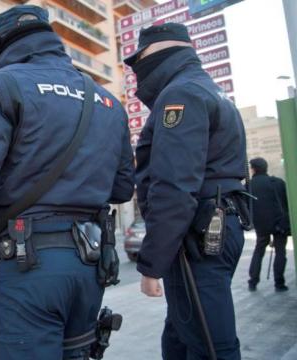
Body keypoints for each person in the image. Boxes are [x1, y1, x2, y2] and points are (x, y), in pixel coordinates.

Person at [0, 5, 134, 359]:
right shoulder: (108, 100)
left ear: (3, 46)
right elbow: (123, 188)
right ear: (51, 38)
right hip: (90, 264)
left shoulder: (1, 85)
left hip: (26, 265)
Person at [124, 23, 248, 359]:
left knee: (211, 346)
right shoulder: (207, 89)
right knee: (181, 335)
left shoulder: (180, 94)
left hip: (199, 234)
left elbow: (174, 188)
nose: (137, 68)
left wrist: (152, 265)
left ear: (162, 52)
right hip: (216, 225)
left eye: (141, 57)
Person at [247, 157, 290, 292]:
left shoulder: (249, 186)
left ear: (253, 169)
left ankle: (253, 282)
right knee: (280, 252)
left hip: (261, 226)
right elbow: (286, 204)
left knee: (259, 251)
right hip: (280, 224)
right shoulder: (278, 182)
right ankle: (279, 283)